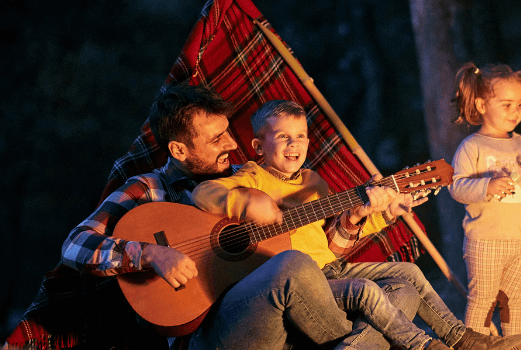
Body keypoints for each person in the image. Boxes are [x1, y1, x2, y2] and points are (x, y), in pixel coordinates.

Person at [54, 83, 420, 350]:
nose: (231, 144)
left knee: (403, 288)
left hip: (283, 312)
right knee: (293, 266)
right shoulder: (148, 189)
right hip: (211, 332)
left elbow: (320, 254)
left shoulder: (248, 177)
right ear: (179, 149)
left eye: (227, 133)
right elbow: (74, 246)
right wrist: (150, 253)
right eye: (217, 140)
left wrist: (358, 217)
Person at [190, 99, 521, 350]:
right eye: (283, 137)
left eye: (301, 136)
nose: (294, 144)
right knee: (368, 292)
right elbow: (202, 193)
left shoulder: (314, 182)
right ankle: (424, 346)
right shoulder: (251, 177)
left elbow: (333, 246)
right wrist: (244, 202)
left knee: (409, 275)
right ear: (258, 146)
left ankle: (462, 338)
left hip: (330, 268)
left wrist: (378, 212)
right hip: (299, 282)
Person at [447, 63, 521, 337]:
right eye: (507, 105)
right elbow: (457, 187)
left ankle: (515, 344)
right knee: (483, 301)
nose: (515, 111)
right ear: (482, 105)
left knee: (516, 300)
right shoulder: (472, 147)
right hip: (486, 240)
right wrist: (487, 185)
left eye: (520, 104)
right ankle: (476, 344)